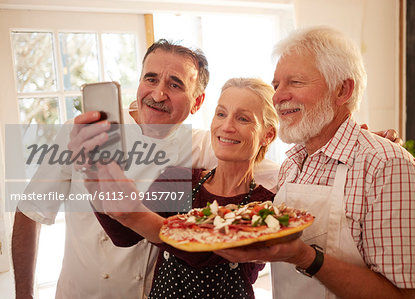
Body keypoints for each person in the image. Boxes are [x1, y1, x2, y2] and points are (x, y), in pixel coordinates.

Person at [12, 40, 280, 299]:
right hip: (80, 292)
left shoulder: (205, 144)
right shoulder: (82, 132)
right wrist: (24, 294)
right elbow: (31, 210)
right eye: (150, 79)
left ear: (197, 103)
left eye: (175, 85)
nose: (158, 94)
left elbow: (268, 172)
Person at [215, 27, 415, 299]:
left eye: (294, 82)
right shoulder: (292, 162)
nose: (278, 96)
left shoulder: (388, 166)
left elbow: (402, 296)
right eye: (277, 85)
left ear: (342, 90)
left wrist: (306, 257)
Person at [91, 77, 278, 298]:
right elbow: (124, 237)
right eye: (221, 114)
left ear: (268, 135)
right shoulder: (179, 180)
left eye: (243, 119)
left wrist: (134, 214)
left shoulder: (265, 206)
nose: (226, 126)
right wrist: (95, 178)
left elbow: (204, 253)